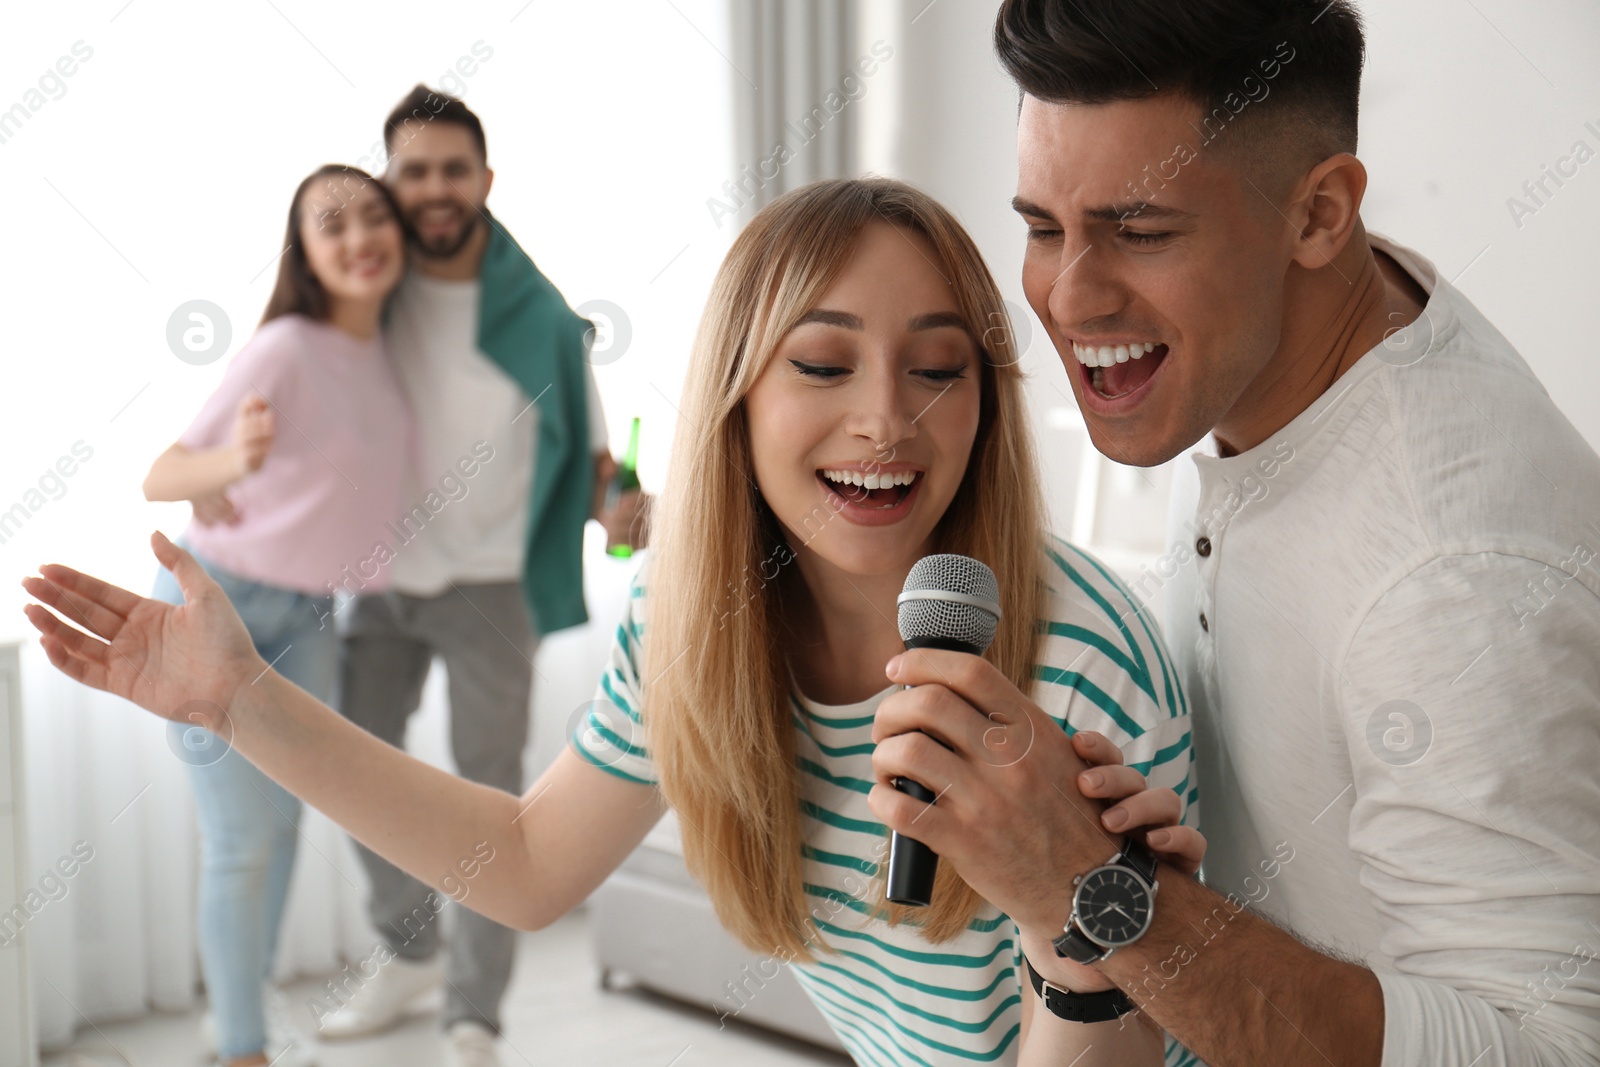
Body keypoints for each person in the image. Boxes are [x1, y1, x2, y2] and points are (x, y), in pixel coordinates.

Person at [26, 177, 1205, 1066]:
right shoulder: (693, 609)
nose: (886, 417)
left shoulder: (1079, 668)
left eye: (938, 369)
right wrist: (246, 702)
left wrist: (1077, 937)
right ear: (737, 400)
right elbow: (531, 862)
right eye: (824, 364)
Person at [857, 1, 1600, 1064]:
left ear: (1318, 214)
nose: (1069, 296)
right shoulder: (1250, 352)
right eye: (1041, 225)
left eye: (1140, 232)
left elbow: (1550, 1051)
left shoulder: (1454, 574)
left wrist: (1097, 887)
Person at [315, 86, 644, 1067]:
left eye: (452, 168)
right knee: (347, 773)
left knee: (493, 802)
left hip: (492, 588)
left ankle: (474, 1012)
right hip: (375, 578)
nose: (433, 188)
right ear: (388, 178)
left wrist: (623, 503)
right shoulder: (362, 291)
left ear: (484, 180)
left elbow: (593, 465)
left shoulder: (538, 312)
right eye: (412, 169)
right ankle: (408, 952)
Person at [139, 165, 413, 1067]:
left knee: (290, 823)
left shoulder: (394, 353)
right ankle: (244, 1051)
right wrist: (235, 462)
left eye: (372, 215)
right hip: (221, 603)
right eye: (329, 224)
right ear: (305, 253)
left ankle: (234, 1017)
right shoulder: (284, 348)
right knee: (242, 840)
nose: (357, 237)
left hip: (309, 617)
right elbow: (163, 475)